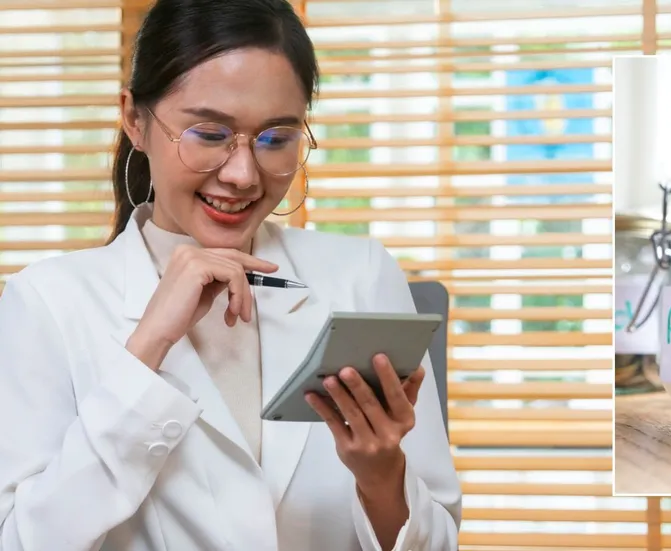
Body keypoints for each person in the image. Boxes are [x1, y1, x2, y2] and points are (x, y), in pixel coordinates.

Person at [0, 1, 461, 549]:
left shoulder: (362, 276)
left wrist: (381, 476)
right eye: (209, 134)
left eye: (275, 139)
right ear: (134, 119)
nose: (243, 175)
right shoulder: (48, 302)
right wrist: (146, 352)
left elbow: (439, 540)